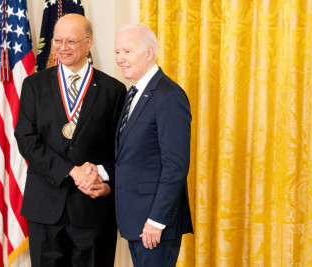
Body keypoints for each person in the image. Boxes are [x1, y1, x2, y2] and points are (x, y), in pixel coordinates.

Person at [14, 14, 126, 267]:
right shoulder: (34, 85)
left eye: (71, 41)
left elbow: (123, 152)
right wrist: (71, 171)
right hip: (44, 208)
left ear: (89, 43)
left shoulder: (114, 90)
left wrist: (107, 182)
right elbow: (26, 139)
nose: (62, 47)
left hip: (94, 209)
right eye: (58, 40)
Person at [81, 23, 193, 267]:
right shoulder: (134, 93)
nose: (120, 59)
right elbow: (133, 157)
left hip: (153, 224)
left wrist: (156, 220)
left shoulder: (169, 96)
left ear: (149, 53)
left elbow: (175, 167)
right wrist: (99, 171)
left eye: (127, 52)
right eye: (117, 52)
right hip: (134, 219)